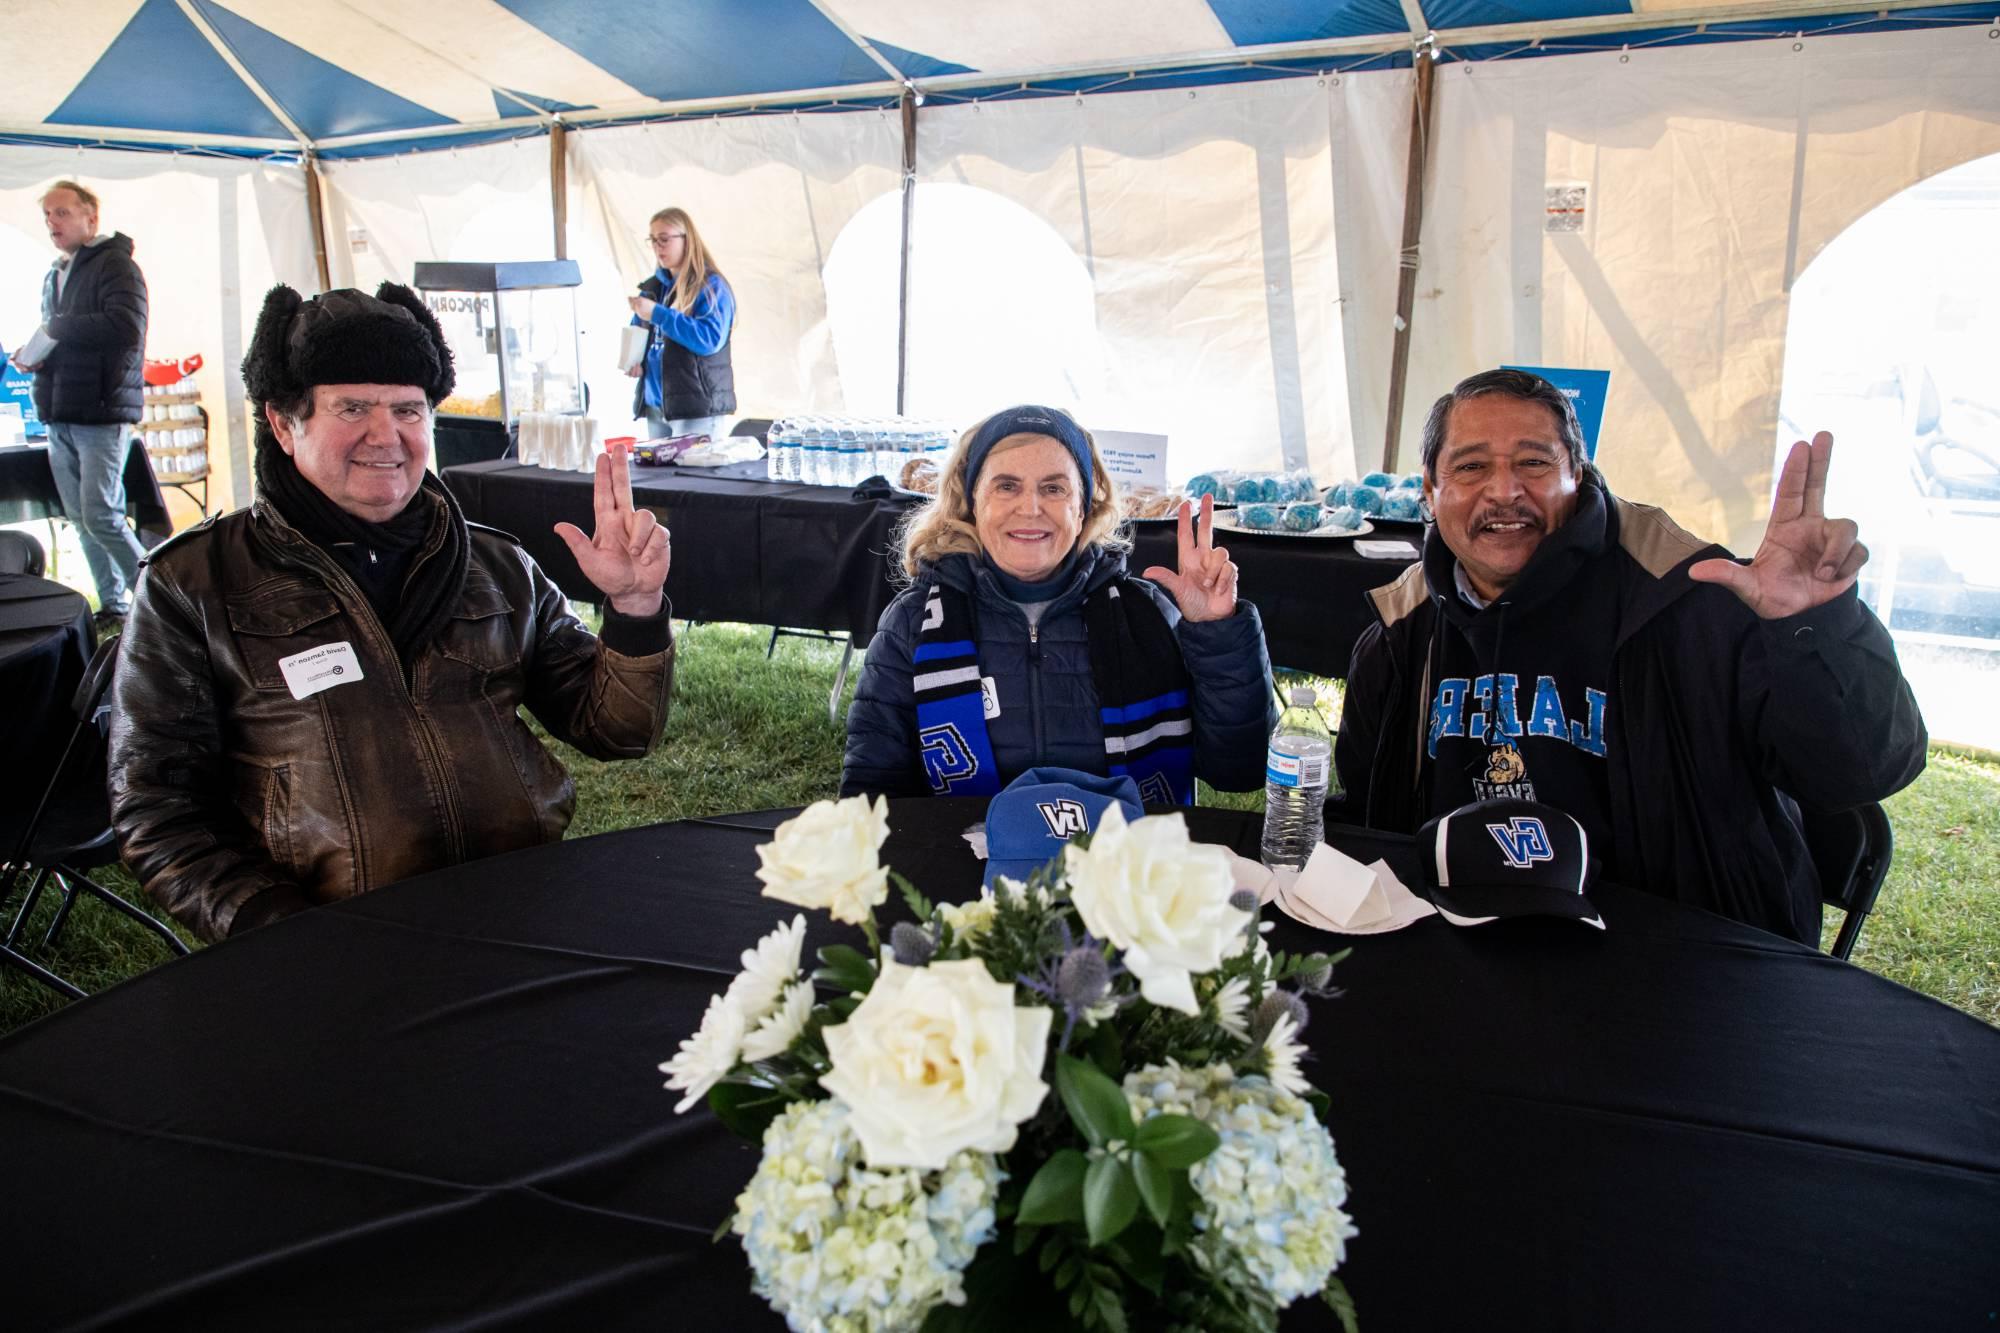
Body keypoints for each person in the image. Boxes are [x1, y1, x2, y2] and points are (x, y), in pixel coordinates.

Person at [109, 283, 676, 943]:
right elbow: (160, 809)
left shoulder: (495, 567)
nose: (387, 436)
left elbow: (620, 731)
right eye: (352, 407)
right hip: (338, 951)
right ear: (283, 423)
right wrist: (281, 932)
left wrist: (635, 608)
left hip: (521, 916)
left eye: (408, 409)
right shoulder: (194, 584)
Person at [1334, 368, 1926, 944]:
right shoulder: (1401, 628)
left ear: (1579, 476)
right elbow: (1368, 808)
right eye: (1470, 466)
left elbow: (1862, 771)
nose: (1505, 491)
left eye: (1535, 463)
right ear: (1431, 493)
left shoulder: (1691, 597)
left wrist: (1815, 624)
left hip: (1674, 953)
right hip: (1458, 934)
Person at [842, 404, 1274, 803]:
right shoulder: (915, 623)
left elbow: (1242, 770)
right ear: (972, 502)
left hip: (1133, 870)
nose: (1030, 508)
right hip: (968, 871)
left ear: (1084, 506)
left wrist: (1218, 633)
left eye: (1054, 488)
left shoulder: (1148, 614)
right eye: (1006, 486)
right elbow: (872, 794)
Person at [8, 180, 149, 628]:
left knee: (102, 515)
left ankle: (157, 599)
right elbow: (60, 333)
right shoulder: (56, 272)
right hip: (59, 413)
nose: (52, 222)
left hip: (101, 413)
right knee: (80, 518)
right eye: (48, 215)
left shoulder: (116, 265)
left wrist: (58, 330)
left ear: (91, 217)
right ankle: (114, 603)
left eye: (62, 213)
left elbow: (126, 327)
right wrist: (35, 358)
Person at [627, 207, 735, 440]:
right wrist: (635, 360)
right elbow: (643, 335)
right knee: (659, 477)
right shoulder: (654, 288)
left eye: (664, 239)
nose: (658, 247)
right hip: (658, 405)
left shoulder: (711, 287)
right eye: (653, 240)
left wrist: (659, 314)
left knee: (692, 476)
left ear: (688, 240)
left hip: (696, 410)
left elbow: (709, 340)